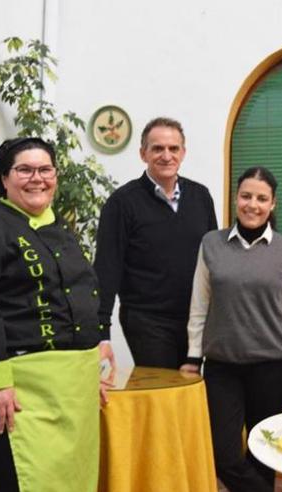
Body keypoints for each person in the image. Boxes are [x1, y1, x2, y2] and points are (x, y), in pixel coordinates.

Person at [0, 137, 114, 492]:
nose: (36, 178)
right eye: (24, 169)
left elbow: (84, 294)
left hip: (71, 392)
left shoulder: (61, 231)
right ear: (3, 179)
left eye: (45, 169)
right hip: (15, 389)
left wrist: (97, 356)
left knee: (73, 484)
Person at [180, 166, 282, 492]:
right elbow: (199, 306)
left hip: (274, 366)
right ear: (235, 199)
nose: (252, 204)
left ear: (273, 204)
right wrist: (192, 357)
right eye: (246, 196)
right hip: (222, 367)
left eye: (261, 198)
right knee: (222, 453)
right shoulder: (211, 244)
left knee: (263, 452)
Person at [94, 117, 218, 369]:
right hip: (147, 320)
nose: (166, 155)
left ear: (183, 153)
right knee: (164, 392)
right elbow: (107, 269)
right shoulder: (122, 203)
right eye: (157, 148)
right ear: (143, 154)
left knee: (191, 392)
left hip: (195, 319)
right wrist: (101, 331)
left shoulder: (200, 196)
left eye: (173, 148)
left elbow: (214, 258)